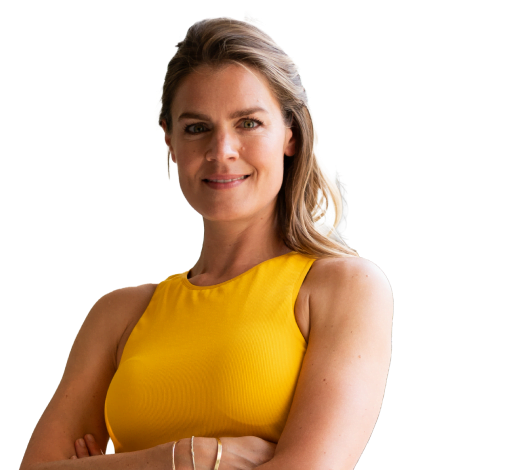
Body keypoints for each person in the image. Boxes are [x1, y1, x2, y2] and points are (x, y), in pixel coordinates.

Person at [19, 12, 393, 470]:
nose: (222, 152)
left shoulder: (344, 288)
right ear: (171, 145)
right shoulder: (117, 316)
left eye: (248, 123)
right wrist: (185, 457)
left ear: (291, 135)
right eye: (197, 128)